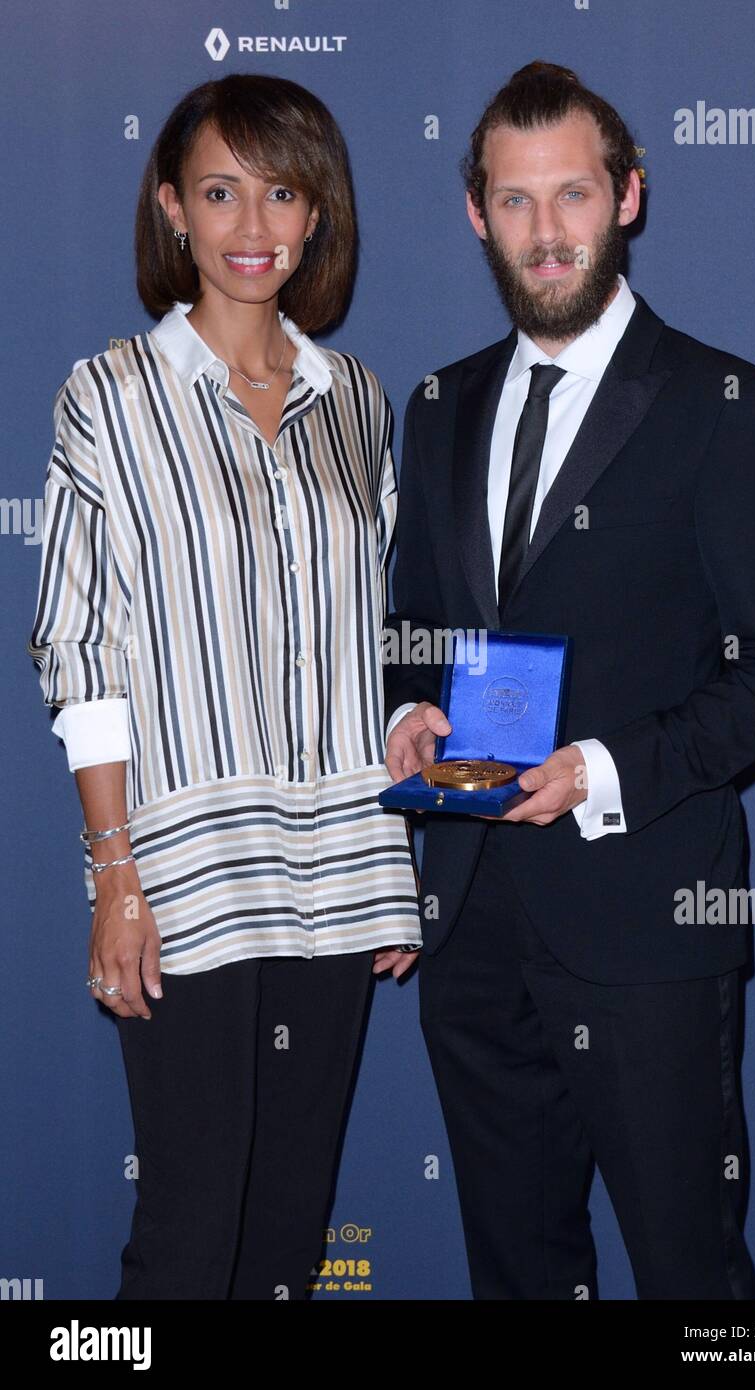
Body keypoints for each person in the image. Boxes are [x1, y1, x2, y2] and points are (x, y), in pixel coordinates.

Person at [383, 61, 755, 1299]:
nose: (545, 232)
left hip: (648, 927)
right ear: (477, 213)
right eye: (515, 201)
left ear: (626, 198)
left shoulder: (722, 403)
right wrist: (407, 706)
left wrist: (603, 768)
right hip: (472, 923)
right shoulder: (436, 408)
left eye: (571, 195)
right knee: (516, 1273)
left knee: (694, 1279)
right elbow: (415, 623)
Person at [27, 72, 421, 1301]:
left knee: (290, 1230)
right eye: (220, 191)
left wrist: (396, 829)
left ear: (316, 217)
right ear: (172, 211)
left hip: (337, 861)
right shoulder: (109, 396)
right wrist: (113, 875)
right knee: (191, 1234)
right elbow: (81, 647)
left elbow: (373, 629)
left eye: (282, 191)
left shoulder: (355, 400)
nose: (253, 225)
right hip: (187, 864)